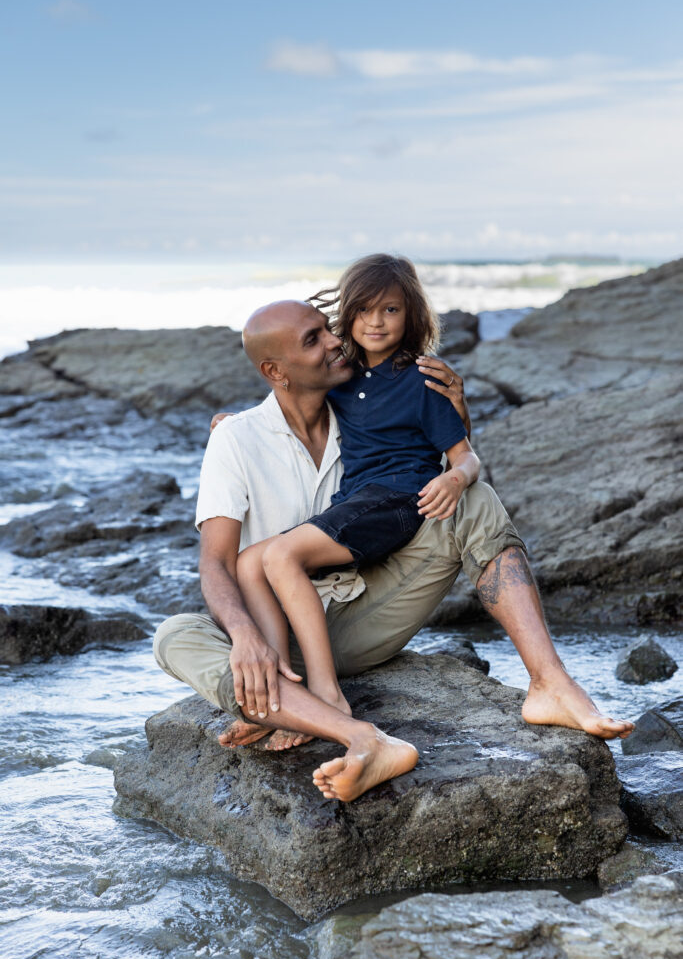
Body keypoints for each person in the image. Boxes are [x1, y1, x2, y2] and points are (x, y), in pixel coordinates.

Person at [153, 277, 634, 805]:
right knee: (175, 634)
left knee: (474, 501)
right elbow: (217, 563)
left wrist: (458, 414)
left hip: (360, 613)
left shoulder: (360, 412)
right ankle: (330, 721)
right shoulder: (236, 439)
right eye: (314, 340)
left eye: (327, 330)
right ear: (275, 372)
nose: (337, 342)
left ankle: (549, 683)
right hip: (271, 635)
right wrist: (245, 636)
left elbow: (437, 452)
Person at [235, 254, 479, 722]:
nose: (376, 322)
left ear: (412, 315)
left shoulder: (423, 379)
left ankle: (327, 693)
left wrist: (454, 476)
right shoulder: (343, 376)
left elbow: (466, 455)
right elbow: (292, 389)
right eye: (364, 310)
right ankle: (283, 674)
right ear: (347, 313)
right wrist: (240, 425)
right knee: (249, 562)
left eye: (390, 310)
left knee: (282, 556)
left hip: (399, 499)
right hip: (357, 502)